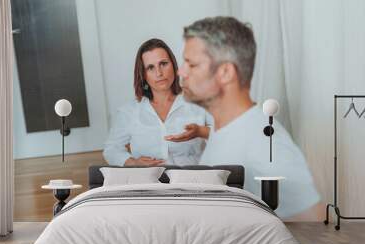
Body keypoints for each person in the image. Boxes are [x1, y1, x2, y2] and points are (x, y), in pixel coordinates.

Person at [169, 16, 321, 218]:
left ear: (225, 72)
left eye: (192, 64)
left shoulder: (267, 145)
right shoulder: (224, 124)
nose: (181, 71)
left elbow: (315, 224)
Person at [103, 38, 210, 166]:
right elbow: (111, 149)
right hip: (149, 182)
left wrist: (200, 131)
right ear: (143, 74)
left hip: (193, 180)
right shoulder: (129, 111)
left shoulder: (199, 100)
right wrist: (132, 162)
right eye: (150, 67)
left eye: (163, 64)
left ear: (174, 65)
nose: (159, 73)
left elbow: (225, 134)